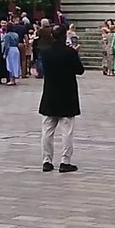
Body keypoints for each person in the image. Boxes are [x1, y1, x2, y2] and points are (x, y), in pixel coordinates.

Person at [39, 26, 84, 173]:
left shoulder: (45, 52)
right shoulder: (69, 52)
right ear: (65, 36)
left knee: (47, 130)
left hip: (50, 94)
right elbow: (80, 70)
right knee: (67, 131)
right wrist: (75, 54)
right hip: (67, 94)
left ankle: (47, 160)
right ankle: (65, 161)